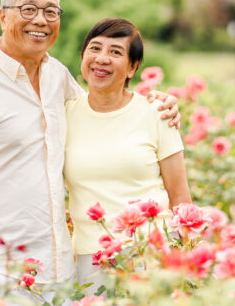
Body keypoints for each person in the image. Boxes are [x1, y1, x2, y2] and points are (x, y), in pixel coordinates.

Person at [0, 0, 180, 305]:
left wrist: (156, 103)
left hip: (58, 271)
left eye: (51, 12)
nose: (41, 20)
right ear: (3, 16)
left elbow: (101, 111)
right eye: (28, 9)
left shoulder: (57, 76)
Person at [64, 18, 192, 294]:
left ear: (133, 68)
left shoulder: (156, 112)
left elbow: (179, 194)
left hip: (153, 254)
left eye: (116, 52)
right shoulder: (63, 115)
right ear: (83, 57)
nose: (102, 59)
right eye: (95, 48)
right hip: (92, 259)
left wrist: (186, 262)